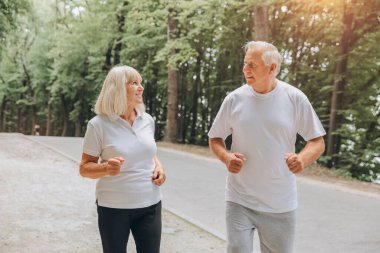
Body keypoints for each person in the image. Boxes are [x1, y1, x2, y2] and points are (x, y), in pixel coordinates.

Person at [208, 41, 326, 253]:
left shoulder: (294, 98)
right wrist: (226, 157)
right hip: (239, 198)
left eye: (252, 65)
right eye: (245, 64)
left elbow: (317, 141)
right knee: (236, 249)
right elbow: (215, 138)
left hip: (279, 204)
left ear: (272, 68)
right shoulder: (234, 99)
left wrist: (302, 159)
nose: (246, 69)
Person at [80, 65, 166, 253]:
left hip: (150, 203)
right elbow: (84, 167)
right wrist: (105, 169)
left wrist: (158, 166)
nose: (141, 87)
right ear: (118, 88)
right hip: (114, 207)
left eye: (140, 83)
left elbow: (147, 152)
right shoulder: (98, 125)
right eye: (134, 83)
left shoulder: (147, 120)